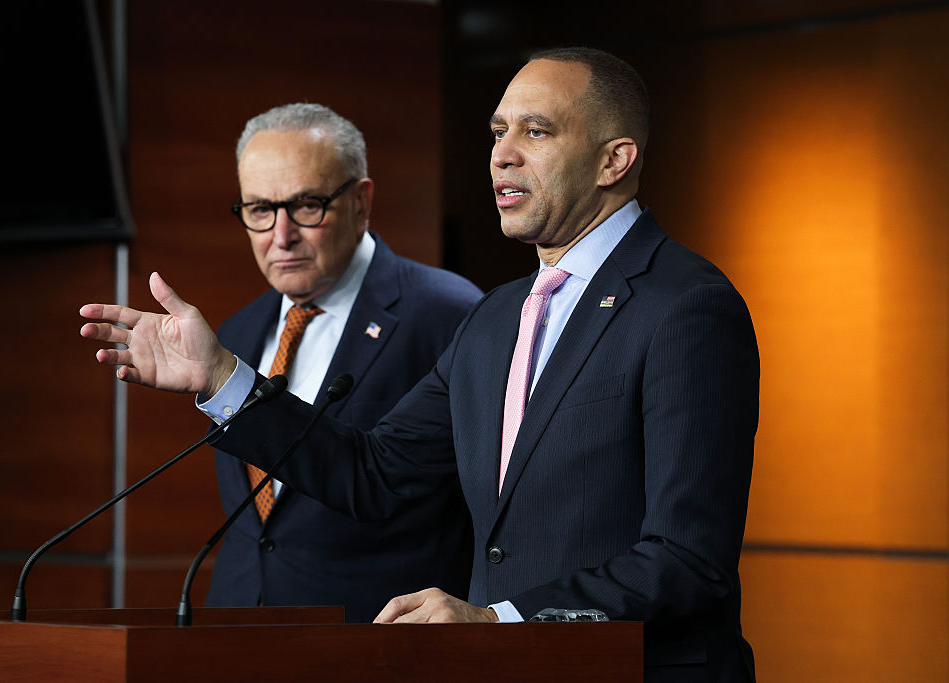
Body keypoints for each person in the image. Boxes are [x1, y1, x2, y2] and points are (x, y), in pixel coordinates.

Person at [81, 49, 759, 681]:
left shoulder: (686, 306)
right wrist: (223, 377)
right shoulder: (497, 316)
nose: (502, 156)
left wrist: (502, 619)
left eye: (537, 133)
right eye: (497, 132)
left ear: (614, 160)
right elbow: (372, 473)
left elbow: (687, 558)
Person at [146, 103, 482, 623]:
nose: (281, 237)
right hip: (234, 630)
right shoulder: (233, 334)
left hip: (377, 635)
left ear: (361, 202)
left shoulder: (448, 314)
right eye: (259, 210)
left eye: (306, 206)